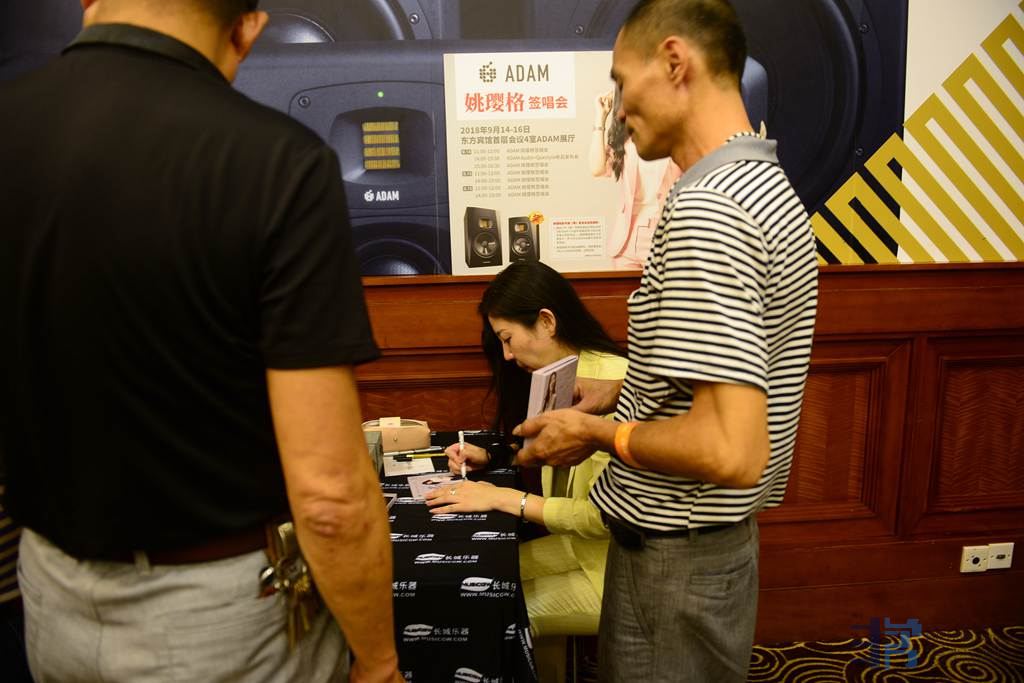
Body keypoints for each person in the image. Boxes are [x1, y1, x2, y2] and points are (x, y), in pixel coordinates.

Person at [0, 1, 402, 681]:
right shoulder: (279, 162)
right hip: (219, 617)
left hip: (45, 591)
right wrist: (379, 661)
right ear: (248, 28)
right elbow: (329, 494)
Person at [514, 1, 819, 681]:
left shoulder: (708, 209)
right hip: (711, 547)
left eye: (622, 82)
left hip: (676, 559)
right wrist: (624, 390)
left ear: (676, 62)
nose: (620, 109)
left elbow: (730, 449)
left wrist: (598, 435)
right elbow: (735, 379)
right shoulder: (765, 187)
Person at [423, 262, 627, 677]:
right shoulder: (563, 376)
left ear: (547, 322)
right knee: (485, 576)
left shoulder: (612, 385)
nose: (507, 355)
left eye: (508, 339)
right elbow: (551, 456)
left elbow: (603, 518)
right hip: (579, 547)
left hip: (616, 570)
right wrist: (497, 459)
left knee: (493, 614)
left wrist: (501, 497)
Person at [589, 87, 682, 270]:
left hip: (666, 235)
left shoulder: (677, 137)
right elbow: (597, 168)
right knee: (623, 290)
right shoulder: (625, 141)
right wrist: (600, 117)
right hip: (626, 239)